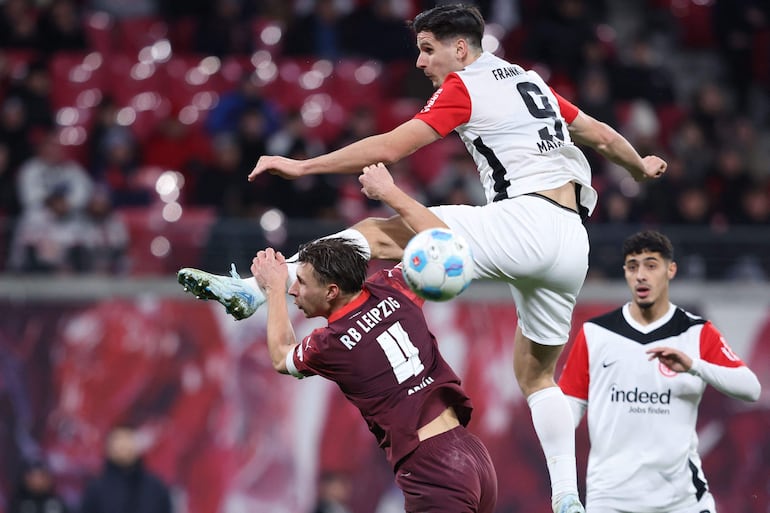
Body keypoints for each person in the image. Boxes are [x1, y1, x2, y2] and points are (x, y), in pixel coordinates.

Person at [184, 5, 668, 512]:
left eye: (427, 49)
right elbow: (602, 135)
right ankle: (569, 498)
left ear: (460, 49)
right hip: (572, 242)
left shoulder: (465, 86)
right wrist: (639, 166)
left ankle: (258, 285)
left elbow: (391, 147)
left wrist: (304, 166)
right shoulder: (533, 83)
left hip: (524, 220)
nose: (420, 62)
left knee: (379, 233)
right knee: (536, 377)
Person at [248, 233, 497, 511]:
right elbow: (428, 243)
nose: (293, 289)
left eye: (302, 282)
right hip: (472, 455)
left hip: (433, 469)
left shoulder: (331, 343)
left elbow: (282, 356)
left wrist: (273, 290)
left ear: (331, 291)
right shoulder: (392, 285)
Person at [558, 230, 761, 513]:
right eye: (633, 267)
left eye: (651, 265)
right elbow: (566, 415)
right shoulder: (595, 334)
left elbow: (751, 389)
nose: (641, 275)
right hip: (611, 499)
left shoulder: (696, 332)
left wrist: (695, 366)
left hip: (681, 501)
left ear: (671, 270)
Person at [79, 425, 173, 513]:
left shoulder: (155, 487)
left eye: (127, 440)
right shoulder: (96, 488)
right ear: (108, 448)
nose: (123, 446)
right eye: (118, 442)